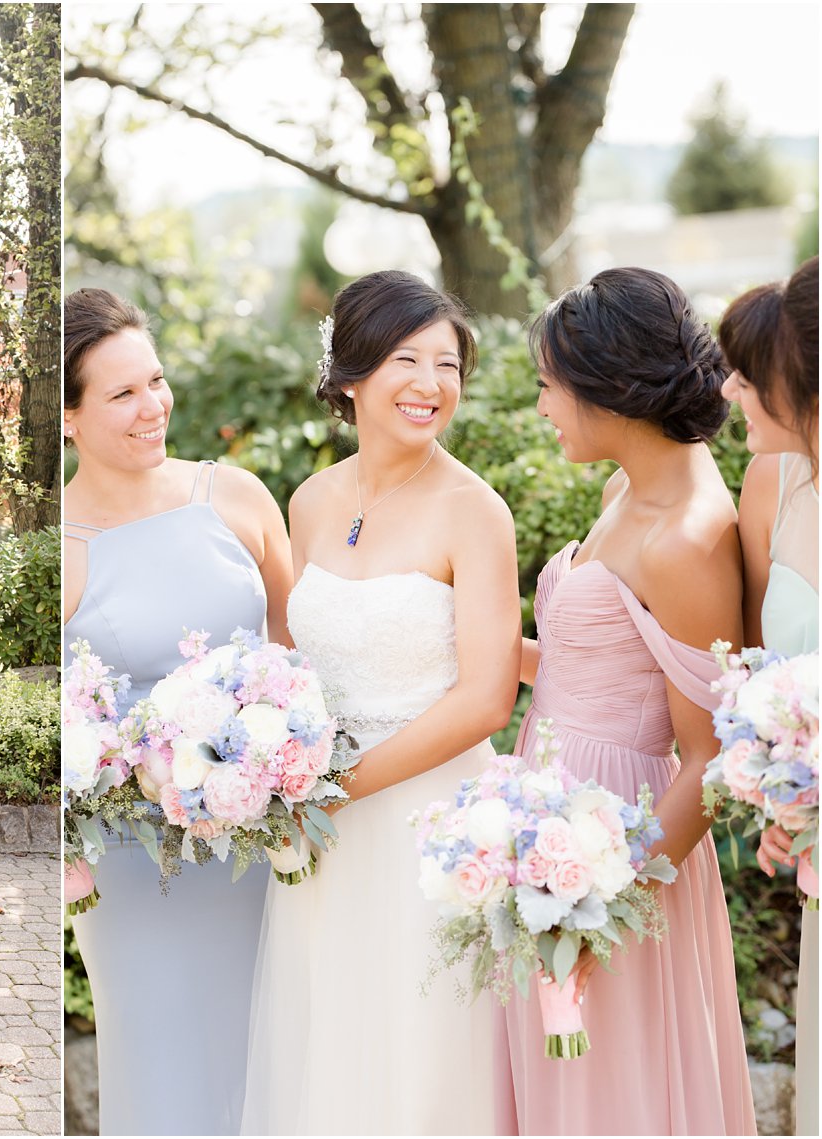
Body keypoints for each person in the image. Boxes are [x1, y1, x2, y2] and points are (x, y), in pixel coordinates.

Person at [242, 270, 519, 1135]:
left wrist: (340, 786)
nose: (433, 383)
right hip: (318, 828)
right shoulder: (312, 500)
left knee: (426, 1054)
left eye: (449, 364)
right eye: (409, 358)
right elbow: (293, 656)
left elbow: (485, 696)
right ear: (353, 373)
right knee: (330, 1043)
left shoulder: (477, 511)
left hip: (431, 825)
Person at [498, 267, 755, 1134]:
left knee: (611, 1096)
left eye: (546, 387)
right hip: (548, 814)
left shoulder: (686, 537)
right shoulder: (624, 492)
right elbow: (586, 666)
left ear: (607, 384)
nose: (541, 407)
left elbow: (712, 759)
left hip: (619, 845)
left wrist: (596, 899)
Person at [62, 287, 295, 1136]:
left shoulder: (234, 496)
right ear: (68, 417)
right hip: (136, 867)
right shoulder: (60, 547)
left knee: (275, 1058)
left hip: (263, 845)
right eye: (121, 393)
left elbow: (302, 649)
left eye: (155, 381)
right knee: (160, 1063)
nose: (152, 406)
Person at [721, 255, 818, 1137]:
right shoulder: (773, 483)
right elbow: (752, 670)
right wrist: (779, 788)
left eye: (749, 375)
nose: (729, 389)